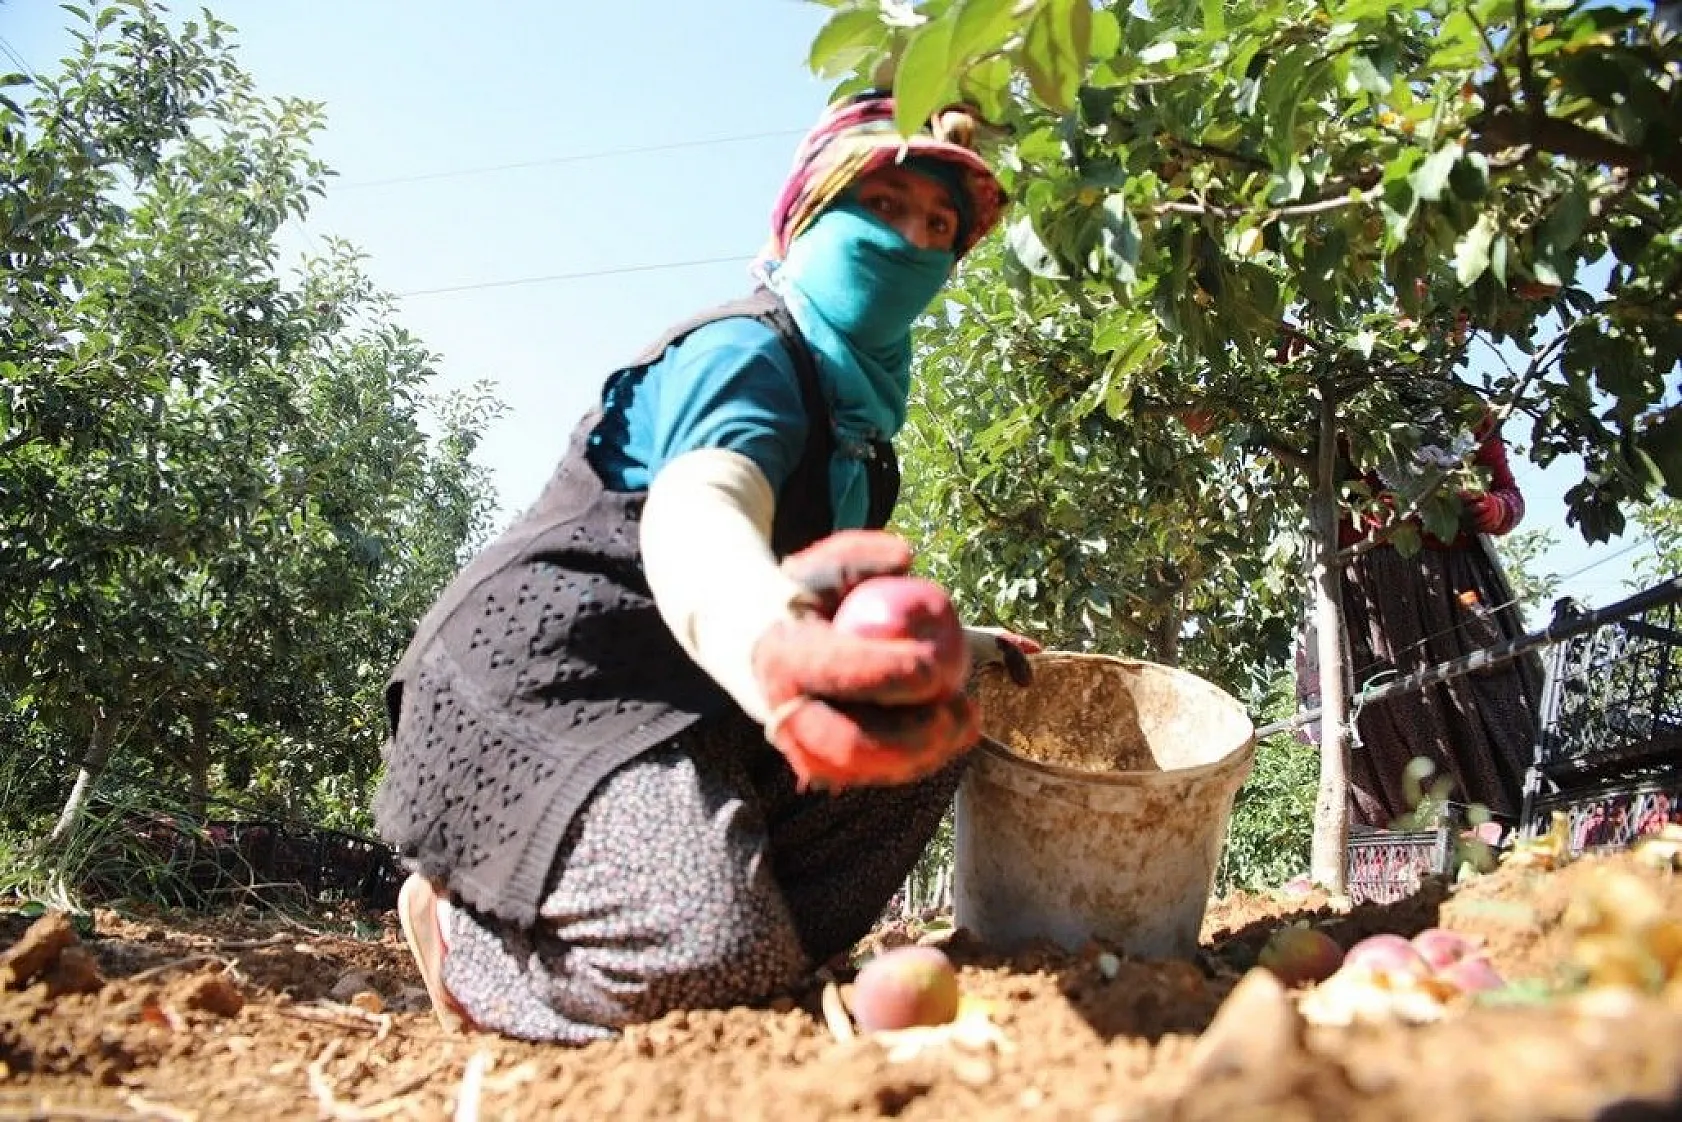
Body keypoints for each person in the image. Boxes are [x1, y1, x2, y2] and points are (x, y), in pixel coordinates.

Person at [372, 91, 1038, 1042]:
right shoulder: (746, 354)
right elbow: (702, 515)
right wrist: (768, 643)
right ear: (808, 215)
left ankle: (762, 957)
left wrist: (960, 643)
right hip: (551, 691)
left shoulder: (860, 437)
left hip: (684, 706)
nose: (911, 243)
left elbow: (810, 593)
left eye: (939, 226)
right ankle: (469, 941)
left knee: (947, 691)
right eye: (883, 207)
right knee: (711, 961)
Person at [1297, 408, 1544, 831]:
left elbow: (1509, 494)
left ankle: (1508, 828)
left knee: (1486, 701)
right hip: (1368, 587)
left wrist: (1495, 509)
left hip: (1456, 584)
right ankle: (1404, 850)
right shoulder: (1339, 389)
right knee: (1386, 714)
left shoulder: (1464, 408)